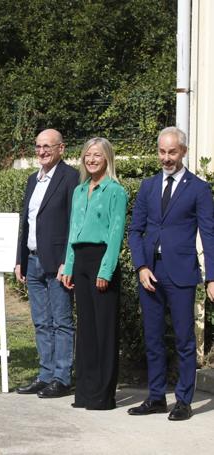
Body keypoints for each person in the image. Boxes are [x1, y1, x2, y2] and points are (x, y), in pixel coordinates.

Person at [127, 127, 214, 421]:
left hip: (181, 274)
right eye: (162, 152)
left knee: (184, 340)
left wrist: (212, 276)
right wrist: (141, 266)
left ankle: (183, 401)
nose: (166, 158)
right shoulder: (148, 186)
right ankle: (155, 398)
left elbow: (209, 234)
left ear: (183, 152)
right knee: (152, 338)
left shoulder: (199, 189)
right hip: (150, 272)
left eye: (172, 152)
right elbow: (135, 230)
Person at [61, 138, 127, 410]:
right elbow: (73, 230)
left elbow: (115, 233)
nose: (91, 159)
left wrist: (106, 269)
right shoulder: (79, 190)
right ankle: (85, 392)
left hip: (102, 260)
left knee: (104, 330)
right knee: (86, 329)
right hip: (81, 261)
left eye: (97, 155)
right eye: (87, 155)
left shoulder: (115, 191)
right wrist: (68, 264)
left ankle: (103, 395)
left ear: (107, 158)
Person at [14, 129, 79, 398]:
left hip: (57, 263)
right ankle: (45, 375)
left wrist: (67, 261)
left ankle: (62, 378)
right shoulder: (33, 180)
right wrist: (19, 259)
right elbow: (26, 220)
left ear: (61, 149)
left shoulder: (71, 178)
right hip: (32, 260)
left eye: (47, 147)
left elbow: (74, 223)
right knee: (41, 322)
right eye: (38, 147)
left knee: (61, 322)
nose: (41, 152)